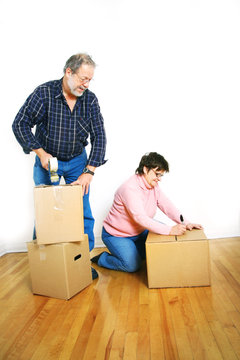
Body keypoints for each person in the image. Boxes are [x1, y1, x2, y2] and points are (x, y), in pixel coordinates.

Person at [12, 53, 107, 279]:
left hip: (77, 161)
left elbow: (100, 136)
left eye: (90, 80)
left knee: (82, 211)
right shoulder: (44, 93)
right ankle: (44, 264)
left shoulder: (90, 100)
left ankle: (81, 262)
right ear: (68, 72)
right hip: (48, 161)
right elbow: (20, 124)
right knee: (47, 212)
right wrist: (40, 152)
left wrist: (89, 171)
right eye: (83, 78)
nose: (86, 84)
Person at [91, 152, 202, 273]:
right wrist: (170, 230)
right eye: (157, 174)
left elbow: (167, 206)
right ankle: (103, 259)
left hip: (139, 231)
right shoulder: (129, 188)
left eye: (161, 175)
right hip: (117, 235)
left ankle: (137, 251)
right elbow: (141, 218)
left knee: (159, 246)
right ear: (145, 169)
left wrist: (186, 223)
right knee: (132, 265)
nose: (159, 178)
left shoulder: (153, 185)